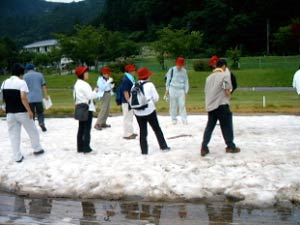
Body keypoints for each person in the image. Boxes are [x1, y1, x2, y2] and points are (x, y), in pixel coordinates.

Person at [0, 63, 44, 163]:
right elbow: (23, 97)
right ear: (21, 73)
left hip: (10, 113)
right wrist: (30, 111)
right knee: (32, 131)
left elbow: (2, 97)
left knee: (14, 135)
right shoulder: (21, 82)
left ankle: (17, 157)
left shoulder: (4, 82)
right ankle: (37, 149)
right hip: (22, 112)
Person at [201, 59, 240, 157]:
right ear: (223, 66)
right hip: (222, 104)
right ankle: (230, 146)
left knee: (209, 127)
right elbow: (227, 90)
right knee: (226, 126)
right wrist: (229, 96)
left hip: (211, 106)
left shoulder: (208, 78)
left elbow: (207, 91)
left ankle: (204, 147)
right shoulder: (224, 76)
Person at [133, 67, 170, 155]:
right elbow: (156, 98)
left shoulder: (134, 85)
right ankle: (163, 146)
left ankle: (144, 151)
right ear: (147, 76)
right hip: (149, 110)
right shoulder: (150, 85)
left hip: (138, 111)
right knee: (156, 128)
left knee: (142, 131)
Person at [74, 66, 98, 153]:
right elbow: (91, 96)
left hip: (80, 107)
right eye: (86, 72)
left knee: (81, 128)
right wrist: (95, 91)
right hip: (87, 108)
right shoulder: (84, 84)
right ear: (82, 74)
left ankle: (80, 147)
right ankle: (86, 147)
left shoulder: (77, 84)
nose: (87, 74)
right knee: (87, 128)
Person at [24, 63, 49, 132]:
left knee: (31, 113)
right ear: (33, 68)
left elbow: (23, 88)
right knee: (40, 112)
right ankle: (41, 122)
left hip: (29, 98)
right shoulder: (39, 75)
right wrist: (46, 95)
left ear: (26, 69)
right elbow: (43, 85)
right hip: (38, 97)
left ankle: (32, 127)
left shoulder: (25, 76)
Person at [164, 57, 189, 124]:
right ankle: (174, 119)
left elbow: (186, 81)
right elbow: (168, 81)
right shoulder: (171, 70)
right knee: (173, 104)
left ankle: (184, 119)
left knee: (182, 104)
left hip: (181, 89)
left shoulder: (184, 71)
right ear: (176, 64)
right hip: (172, 88)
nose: (179, 66)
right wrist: (167, 90)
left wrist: (186, 91)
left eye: (181, 65)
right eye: (179, 65)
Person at [121, 64, 137, 139]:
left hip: (130, 100)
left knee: (130, 117)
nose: (134, 71)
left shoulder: (130, 78)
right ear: (129, 71)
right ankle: (127, 134)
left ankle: (130, 132)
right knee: (127, 117)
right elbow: (125, 92)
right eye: (133, 70)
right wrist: (129, 101)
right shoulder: (126, 79)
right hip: (127, 101)